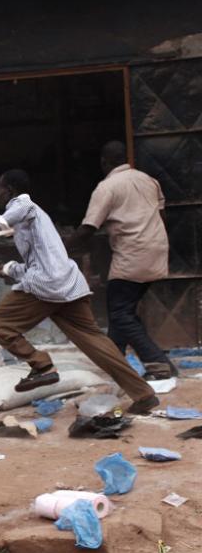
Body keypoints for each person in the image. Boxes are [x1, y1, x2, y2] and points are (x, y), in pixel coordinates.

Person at [0, 169, 158, 414]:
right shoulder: (34, 224)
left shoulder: (25, 207)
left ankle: (42, 367)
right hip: (68, 285)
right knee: (95, 341)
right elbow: (34, 264)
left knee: (0, 323)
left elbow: (20, 208)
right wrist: (5, 268)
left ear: (10, 191)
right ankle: (144, 395)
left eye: (0, 190)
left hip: (47, 285)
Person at [67, 141, 176, 380]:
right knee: (121, 307)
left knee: (120, 313)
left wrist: (59, 247)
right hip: (157, 249)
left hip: (132, 254)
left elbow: (88, 228)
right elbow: (162, 216)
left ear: (104, 162)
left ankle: (158, 363)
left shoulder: (106, 187)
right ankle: (115, 359)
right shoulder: (149, 180)